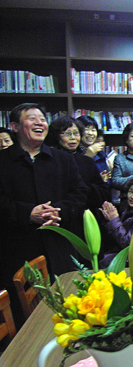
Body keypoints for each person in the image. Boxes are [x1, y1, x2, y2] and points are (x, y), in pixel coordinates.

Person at [0, 103, 87, 328]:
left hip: (60, 246)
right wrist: (28, 213)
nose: (40, 122)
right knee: (27, 321)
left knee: (70, 312)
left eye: (42, 118)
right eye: (32, 118)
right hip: (18, 249)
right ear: (15, 126)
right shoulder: (3, 162)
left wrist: (59, 211)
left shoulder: (63, 159)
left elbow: (79, 194)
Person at [45, 116, 109, 212]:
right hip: (56, 213)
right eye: (67, 134)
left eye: (76, 133)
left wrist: (81, 190)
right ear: (56, 136)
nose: (73, 138)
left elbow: (102, 193)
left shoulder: (87, 161)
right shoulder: (49, 160)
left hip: (84, 213)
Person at [99, 175, 133, 267]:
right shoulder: (129, 210)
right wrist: (108, 219)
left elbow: (128, 244)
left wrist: (114, 220)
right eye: (130, 192)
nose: (132, 196)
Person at [76, 115, 110, 181]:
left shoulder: (101, 154)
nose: (90, 133)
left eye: (93, 130)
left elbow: (107, 182)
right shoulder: (72, 152)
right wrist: (87, 156)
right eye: (86, 129)